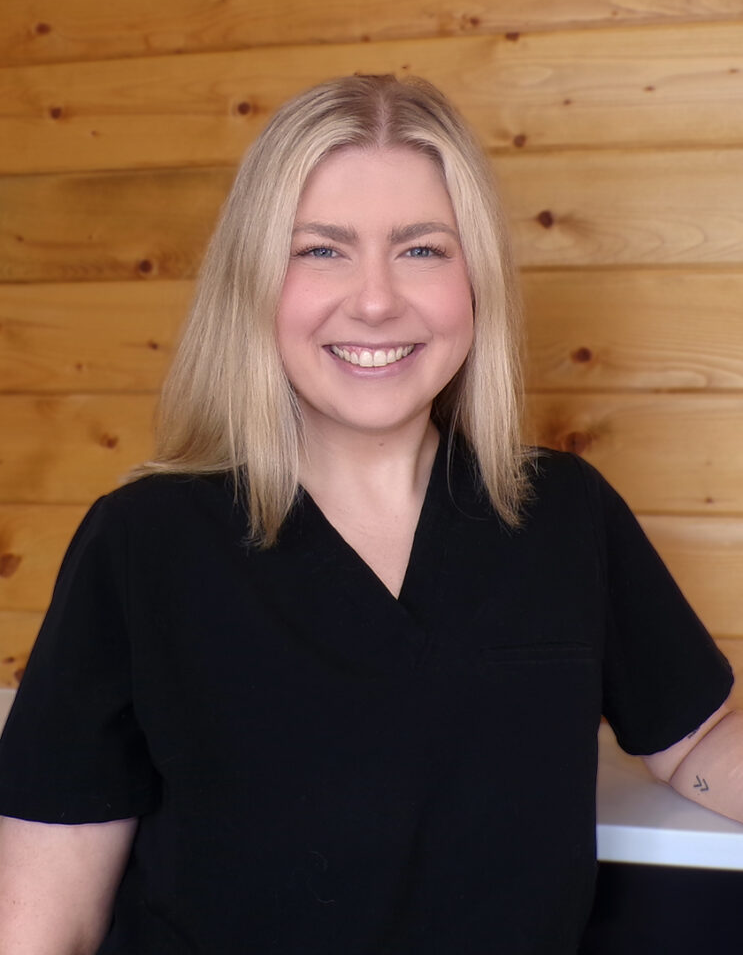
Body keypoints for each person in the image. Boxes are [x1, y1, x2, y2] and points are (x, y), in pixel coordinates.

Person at [0, 74, 741, 955]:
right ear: (254, 284)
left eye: (423, 249)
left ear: (476, 283)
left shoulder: (561, 513)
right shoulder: (143, 542)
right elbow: (45, 923)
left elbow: (697, 739)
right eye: (321, 250)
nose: (377, 299)